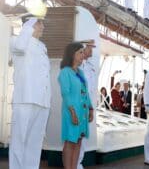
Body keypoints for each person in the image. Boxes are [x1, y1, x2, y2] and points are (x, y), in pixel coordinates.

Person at [9, 15, 51, 169]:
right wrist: (30, 21)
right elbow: (21, 46)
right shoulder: (16, 42)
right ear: (30, 24)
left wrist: (48, 101)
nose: (43, 27)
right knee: (19, 141)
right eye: (40, 23)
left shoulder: (42, 47)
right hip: (25, 99)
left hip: (42, 101)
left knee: (34, 143)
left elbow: (45, 76)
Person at [58, 42, 94, 169]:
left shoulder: (80, 73)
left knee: (78, 141)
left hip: (82, 113)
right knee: (70, 142)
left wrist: (91, 109)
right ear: (72, 54)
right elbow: (65, 94)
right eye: (80, 52)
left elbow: (85, 92)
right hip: (71, 112)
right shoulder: (65, 72)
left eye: (83, 52)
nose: (82, 55)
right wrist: (72, 112)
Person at [77, 39, 98, 169]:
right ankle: (73, 164)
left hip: (87, 106)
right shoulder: (76, 66)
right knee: (75, 136)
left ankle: (78, 163)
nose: (92, 50)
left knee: (83, 136)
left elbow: (91, 88)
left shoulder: (90, 66)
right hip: (78, 105)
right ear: (83, 49)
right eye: (90, 48)